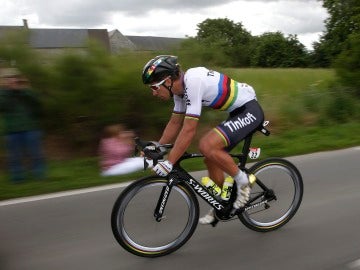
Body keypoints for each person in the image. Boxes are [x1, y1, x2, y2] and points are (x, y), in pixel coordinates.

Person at [141, 55, 264, 224]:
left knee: (207, 145)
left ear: (168, 80)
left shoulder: (193, 81)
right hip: (237, 112)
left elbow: (189, 128)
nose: (153, 93)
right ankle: (224, 203)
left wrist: (169, 162)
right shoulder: (179, 92)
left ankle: (244, 183)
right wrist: (158, 148)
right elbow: (175, 122)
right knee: (210, 159)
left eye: (154, 87)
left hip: (249, 110)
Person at [0, 67, 46, 182]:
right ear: (5, 81)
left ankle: (39, 175)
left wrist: (22, 91)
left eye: (15, 78)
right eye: (9, 79)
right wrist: (11, 92)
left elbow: (37, 103)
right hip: (12, 130)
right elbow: (3, 106)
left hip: (31, 128)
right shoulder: (3, 94)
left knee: (36, 153)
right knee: (14, 156)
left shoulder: (27, 91)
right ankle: (17, 178)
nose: (13, 81)